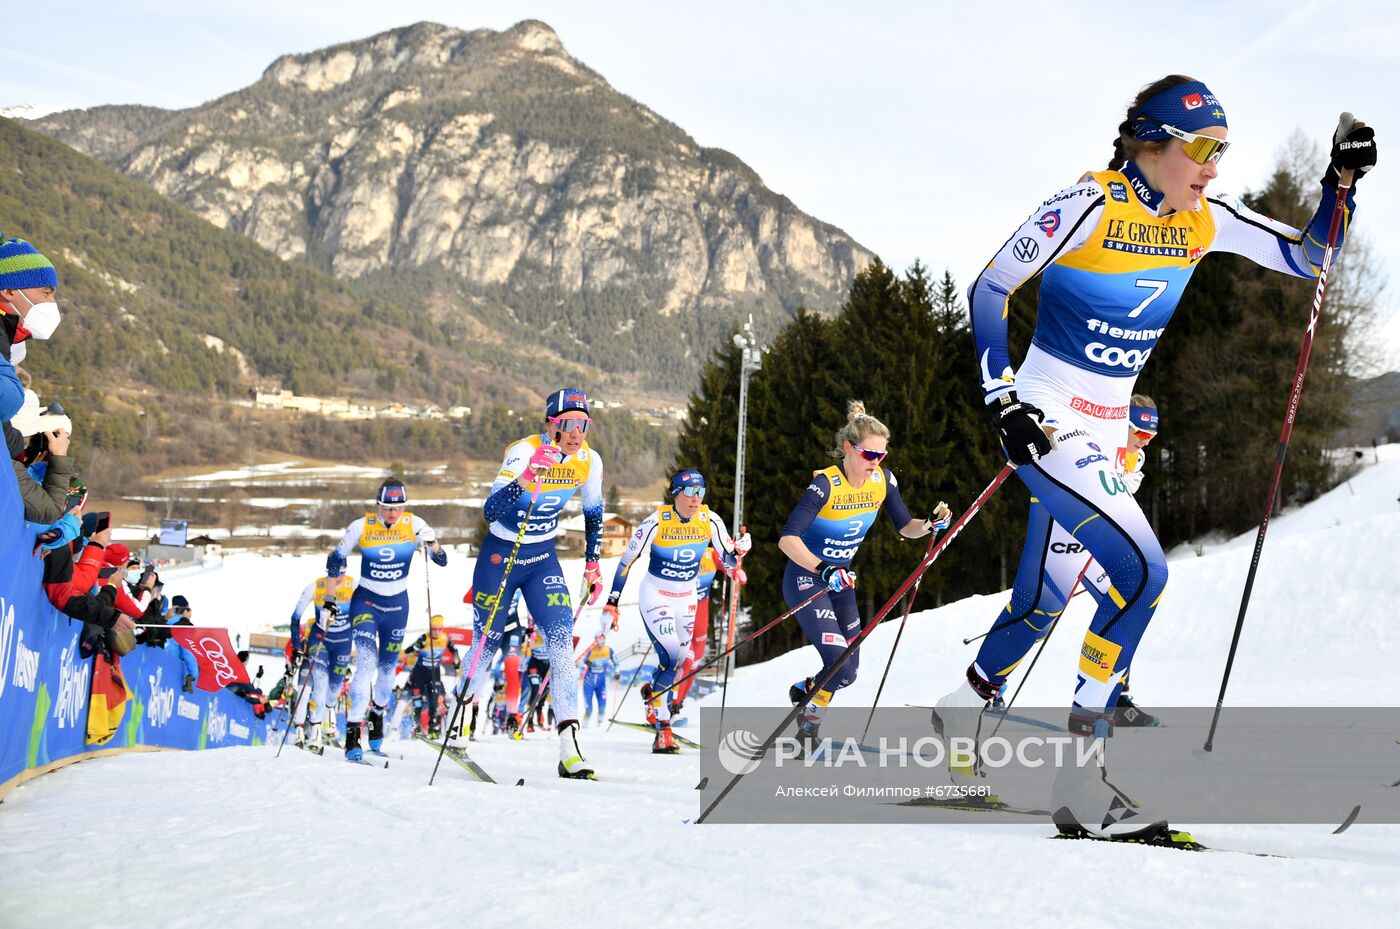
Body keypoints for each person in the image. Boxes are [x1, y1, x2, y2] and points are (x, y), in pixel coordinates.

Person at [937, 75, 1375, 839]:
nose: (1214, 166)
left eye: (1223, 151)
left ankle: (969, 710)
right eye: (1202, 149)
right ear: (1151, 142)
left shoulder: (1204, 220)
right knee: (1142, 572)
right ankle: (1080, 784)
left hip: (1109, 438)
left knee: (1062, 592)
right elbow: (990, 286)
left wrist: (1339, 184)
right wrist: (1000, 397)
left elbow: (1311, 258)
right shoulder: (1089, 204)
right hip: (1047, 420)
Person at [454, 388, 604, 778]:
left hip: (541, 559)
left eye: (583, 425)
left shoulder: (589, 460)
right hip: (501, 555)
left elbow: (593, 515)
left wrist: (592, 565)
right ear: (551, 424)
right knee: (485, 645)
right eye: (569, 424)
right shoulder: (523, 451)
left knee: (560, 641)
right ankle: (458, 717)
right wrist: (526, 477)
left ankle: (570, 747)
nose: (576, 433)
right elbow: (491, 511)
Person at [779, 402, 946, 748]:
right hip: (807, 579)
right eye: (869, 454)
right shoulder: (825, 485)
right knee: (837, 663)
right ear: (848, 449)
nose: (875, 462)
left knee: (848, 672)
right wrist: (823, 568)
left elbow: (905, 526)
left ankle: (809, 689)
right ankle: (808, 727)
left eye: (882, 456)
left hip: (840, 585)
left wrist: (930, 525)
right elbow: (788, 539)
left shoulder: (883, 481)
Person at [603, 468, 748, 752]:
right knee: (670, 655)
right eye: (691, 492)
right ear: (676, 494)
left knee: (681, 660)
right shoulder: (656, 521)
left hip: (686, 597)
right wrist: (612, 602)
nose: (696, 499)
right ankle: (663, 729)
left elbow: (728, 559)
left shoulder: (710, 519)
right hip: (656, 594)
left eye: (701, 492)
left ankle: (652, 693)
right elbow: (626, 561)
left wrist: (739, 553)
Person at [325, 478, 447, 762]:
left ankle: (376, 725)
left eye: (398, 508)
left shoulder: (415, 524)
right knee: (366, 663)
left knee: (387, 672)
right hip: (366, 601)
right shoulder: (361, 525)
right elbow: (334, 560)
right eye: (387, 508)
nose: (393, 514)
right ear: (377, 505)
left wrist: (433, 543)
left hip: (397, 606)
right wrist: (330, 601)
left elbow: (441, 561)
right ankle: (352, 736)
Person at [286, 571, 356, 747]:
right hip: (309, 659)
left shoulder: (349, 588)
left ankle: (323, 728)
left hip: (331, 653)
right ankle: (300, 731)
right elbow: (292, 639)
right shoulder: (310, 624)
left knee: (327, 689)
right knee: (304, 693)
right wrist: (295, 653)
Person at [669, 546, 720, 720]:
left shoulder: (711, 553)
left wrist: (737, 555)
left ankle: (678, 705)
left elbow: (731, 565)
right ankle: (670, 706)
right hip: (683, 611)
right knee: (685, 660)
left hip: (702, 612)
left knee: (693, 666)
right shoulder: (681, 550)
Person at [402, 614, 459, 738]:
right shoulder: (424, 637)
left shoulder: (445, 638)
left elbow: (455, 651)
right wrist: (418, 646)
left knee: (434, 700)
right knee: (417, 701)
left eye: (439, 628)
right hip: (420, 671)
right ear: (430, 627)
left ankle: (433, 728)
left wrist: (456, 663)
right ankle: (417, 727)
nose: (437, 631)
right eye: (434, 628)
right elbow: (408, 650)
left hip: (434, 672)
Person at [579, 633, 619, 727]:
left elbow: (616, 663)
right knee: (589, 709)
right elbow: (581, 664)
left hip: (601, 683)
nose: (601, 641)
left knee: (602, 706)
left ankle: (599, 726)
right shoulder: (590, 650)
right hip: (589, 683)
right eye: (599, 639)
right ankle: (584, 726)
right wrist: (585, 664)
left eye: (602, 639)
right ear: (595, 640)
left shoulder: (608, 650)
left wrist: (617, 672)